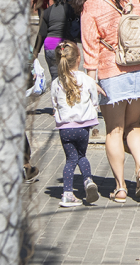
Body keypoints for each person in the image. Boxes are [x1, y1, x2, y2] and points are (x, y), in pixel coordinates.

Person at [73, 0, 140, 203]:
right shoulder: (135, 0)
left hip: (111, 74)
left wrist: (91, 83)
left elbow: (90, 50)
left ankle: (120, 188)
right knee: (134, 125)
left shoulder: (92, 5)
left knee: (114, 130)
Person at [51, 41, 101, 207]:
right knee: (82, 155)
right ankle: (88, 181)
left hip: (65, 128)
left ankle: (67, 194)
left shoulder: (56, 83)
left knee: (71, 159)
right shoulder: (87, 80)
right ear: (79, 58)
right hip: (83, 127)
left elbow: (54, 105)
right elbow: (95, 100)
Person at [32, 0, 75, 82]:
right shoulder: (70, 10)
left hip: (50, 47)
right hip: (66, 46)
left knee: (55, 79)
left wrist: (35, 52)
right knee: (69, 78)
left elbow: (42, 33)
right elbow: (75, 28)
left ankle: (56, 96)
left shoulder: (47, 12)